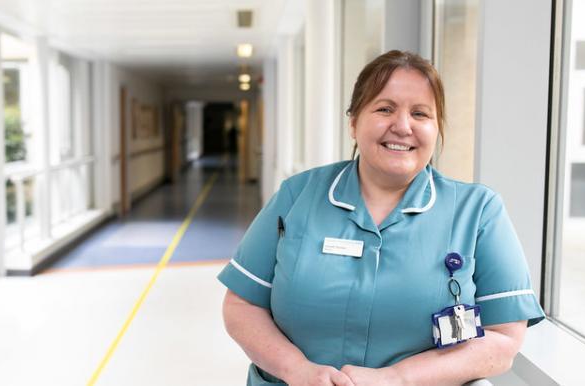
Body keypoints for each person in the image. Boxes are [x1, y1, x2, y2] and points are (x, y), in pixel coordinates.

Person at [217, 50, 545, 386]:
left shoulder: (478, 211)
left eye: (420, 113)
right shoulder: (297, 195)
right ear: (354, 122)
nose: (402, 127)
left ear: (436, 129)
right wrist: (296, 370)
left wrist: (397, 379)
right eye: (385, 109)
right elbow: (241, 305)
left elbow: (503, 340)